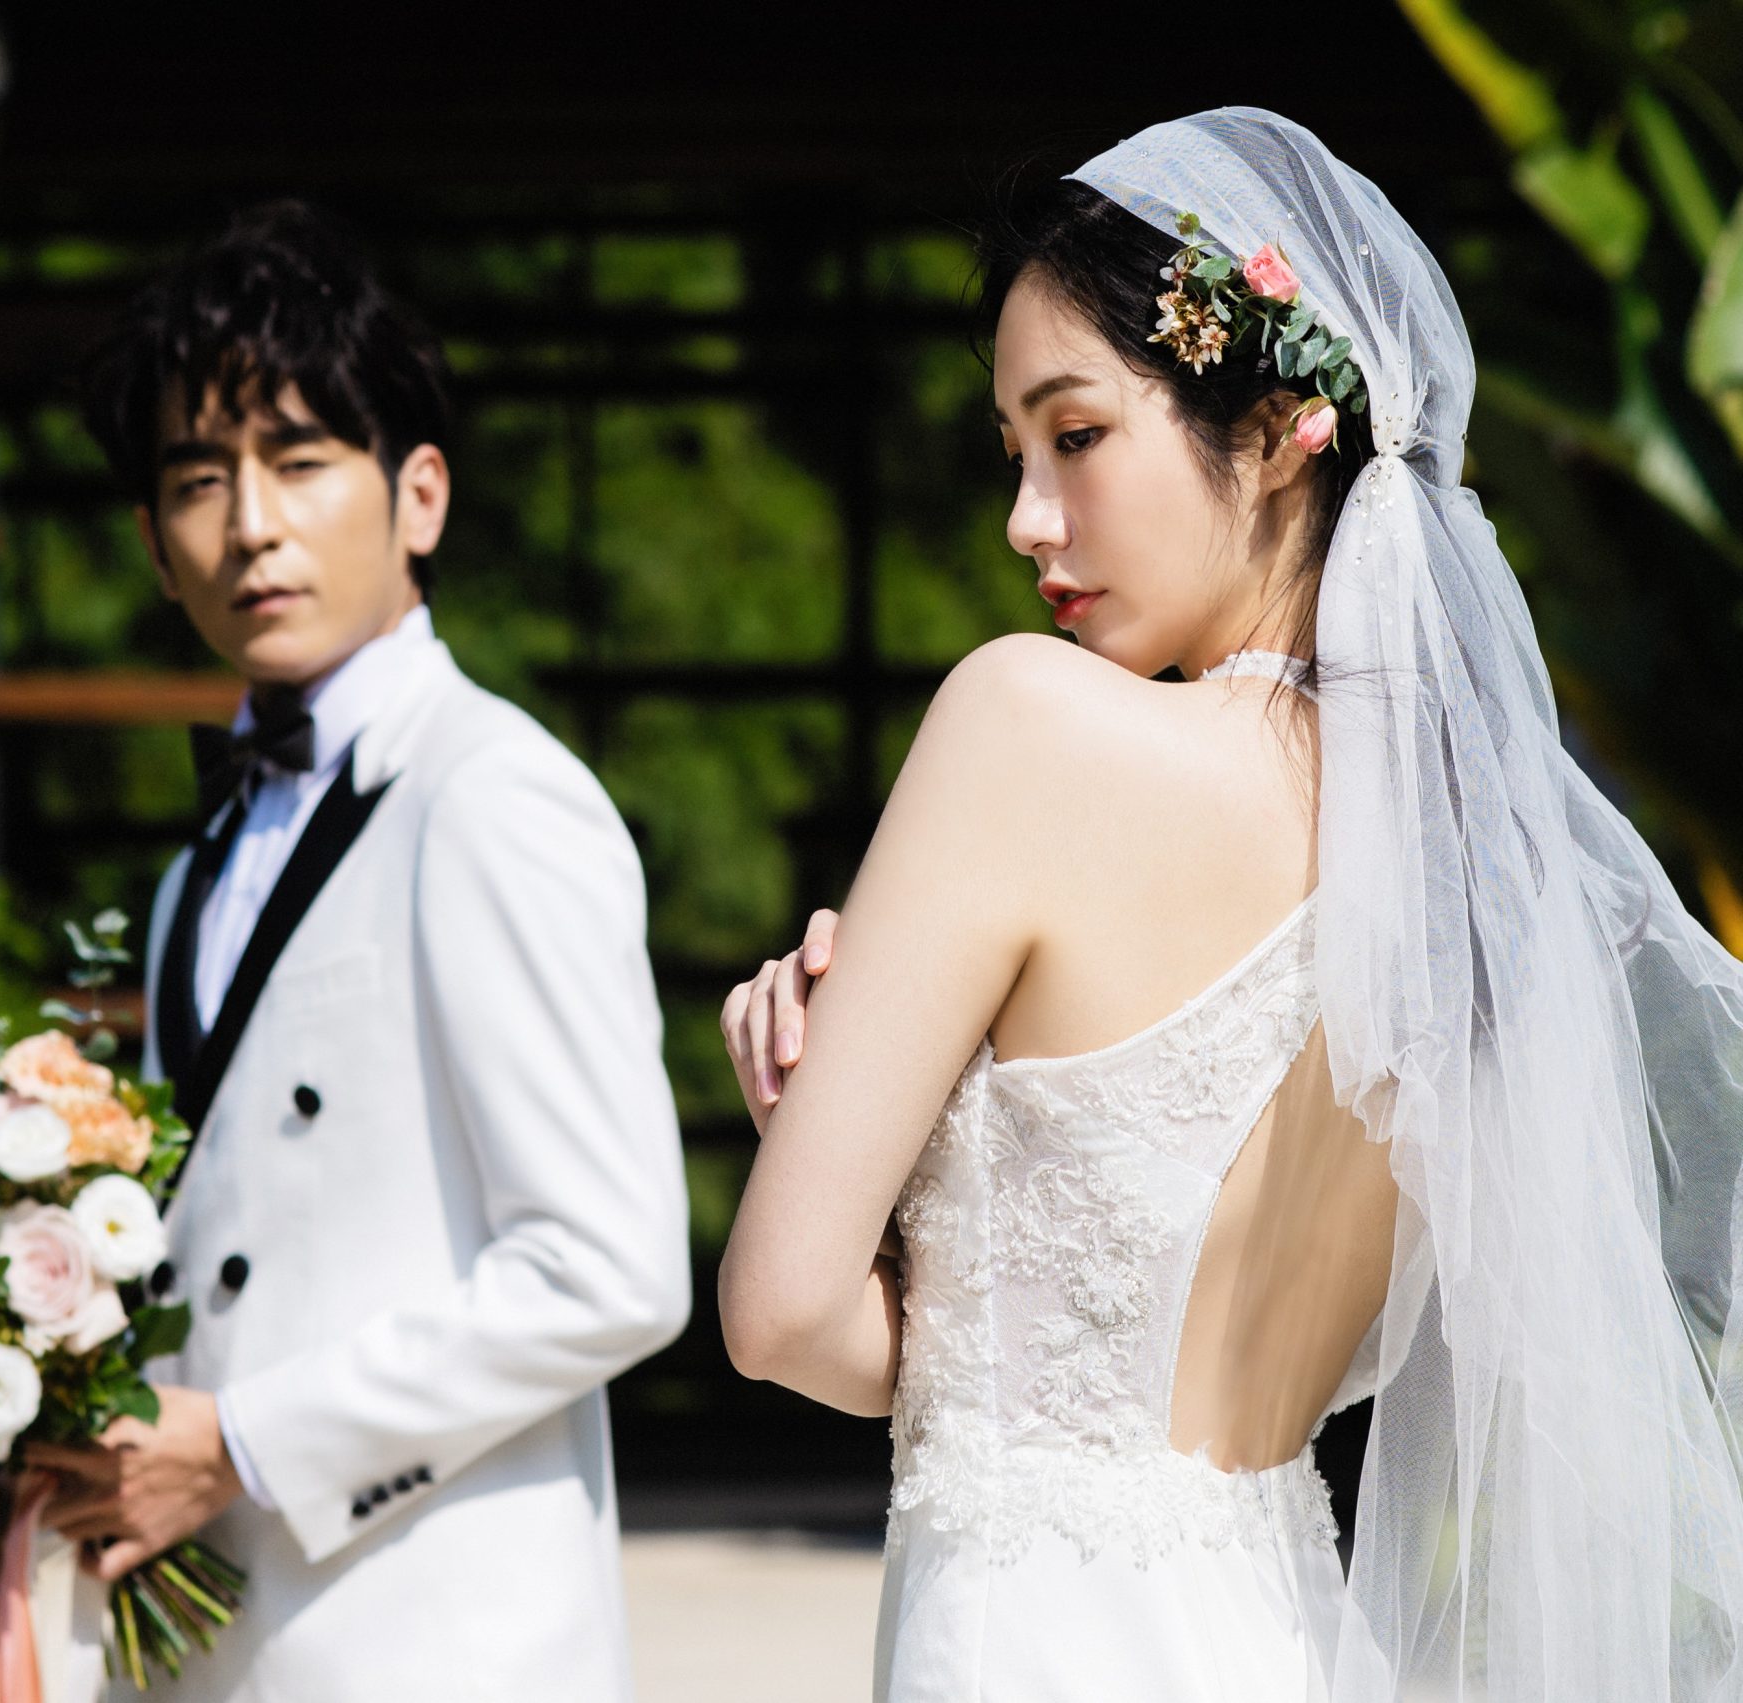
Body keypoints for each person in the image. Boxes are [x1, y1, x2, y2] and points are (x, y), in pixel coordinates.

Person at [718, 107, 1743, 1701]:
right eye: (1013, 454)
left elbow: (785, 1319)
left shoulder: (1025, 725)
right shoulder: (1465, 876)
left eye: (1075, 436)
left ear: (1272, 433)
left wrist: (824, 1132)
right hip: (1289, 1635)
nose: (1027, 520)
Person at [0, 201, 692, 1702]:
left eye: (299, 462)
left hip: (440, 1647)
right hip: (219, 1647)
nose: (251, 523)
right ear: (155, 549)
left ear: (419, 495)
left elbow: (612, 1266)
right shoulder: (193, 872)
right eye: (197, 480)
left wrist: (240, 1445)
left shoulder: (495, 796)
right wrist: (43, 1454)